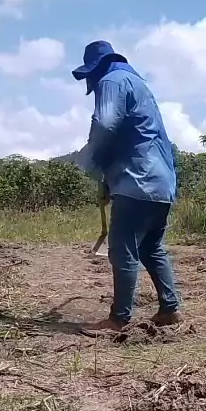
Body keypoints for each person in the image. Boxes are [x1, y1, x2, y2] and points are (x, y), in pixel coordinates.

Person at [72, 40, 181, 336]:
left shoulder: (112, 81)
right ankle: (169, 309)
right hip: (161, 182)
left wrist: (91, 162)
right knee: (151, 247)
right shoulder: (139, 85)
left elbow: (105, 124)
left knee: (122, 249)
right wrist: (108, 180)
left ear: (97, 69)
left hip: (137, 180)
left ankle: (118, 319)